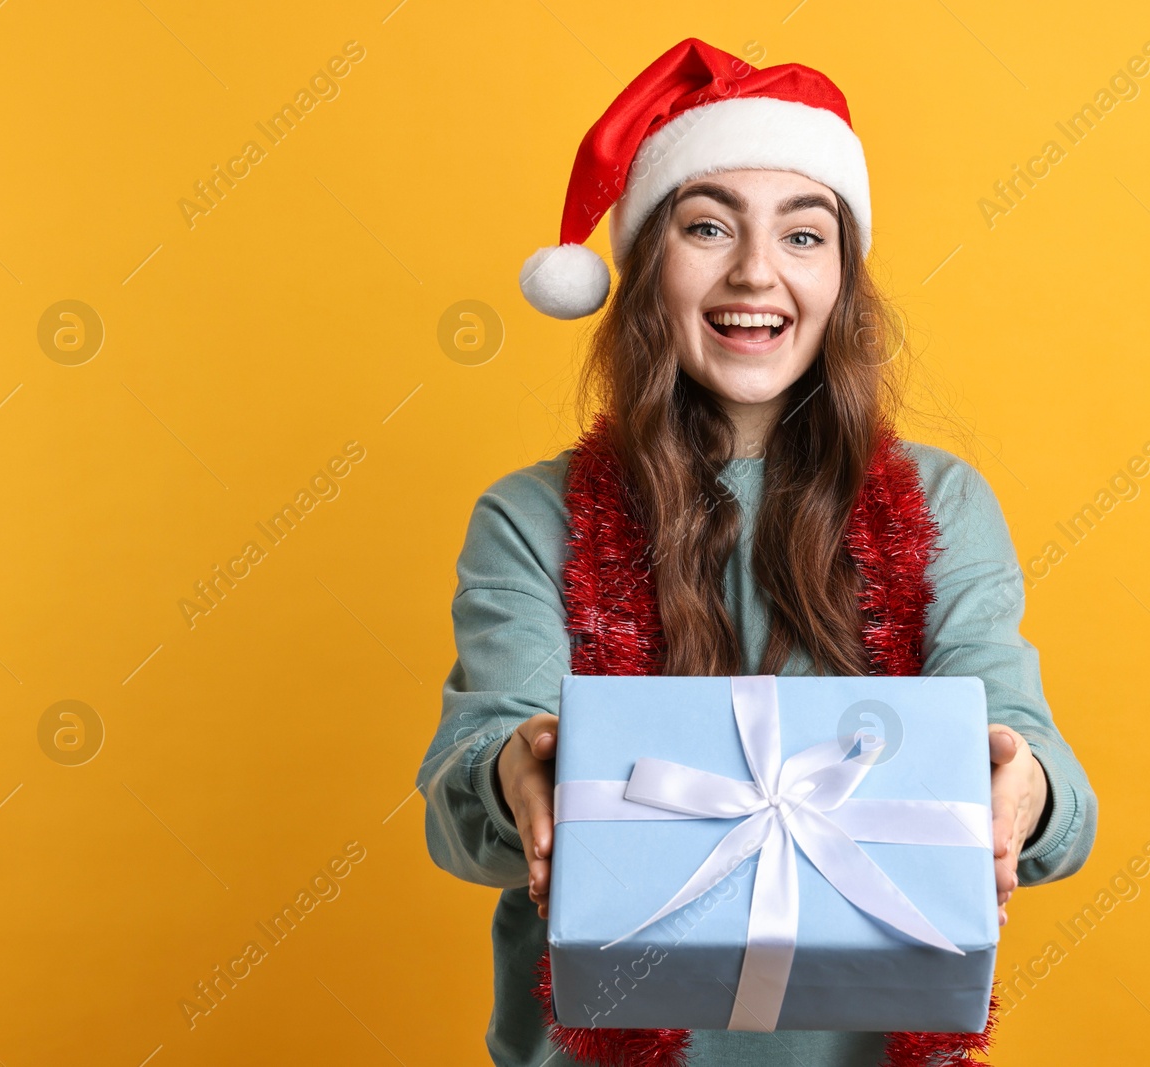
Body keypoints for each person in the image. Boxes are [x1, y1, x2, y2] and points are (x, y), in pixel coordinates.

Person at [416, 37, 1097, 1067]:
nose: (755, 272)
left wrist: (1025, 785)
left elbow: (1034, 759)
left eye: (804, 235)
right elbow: (465, 805)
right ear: (646, 264)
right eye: (705, 226)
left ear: (842, 277)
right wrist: (515, 766)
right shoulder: (529, 518)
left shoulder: (943, 499)